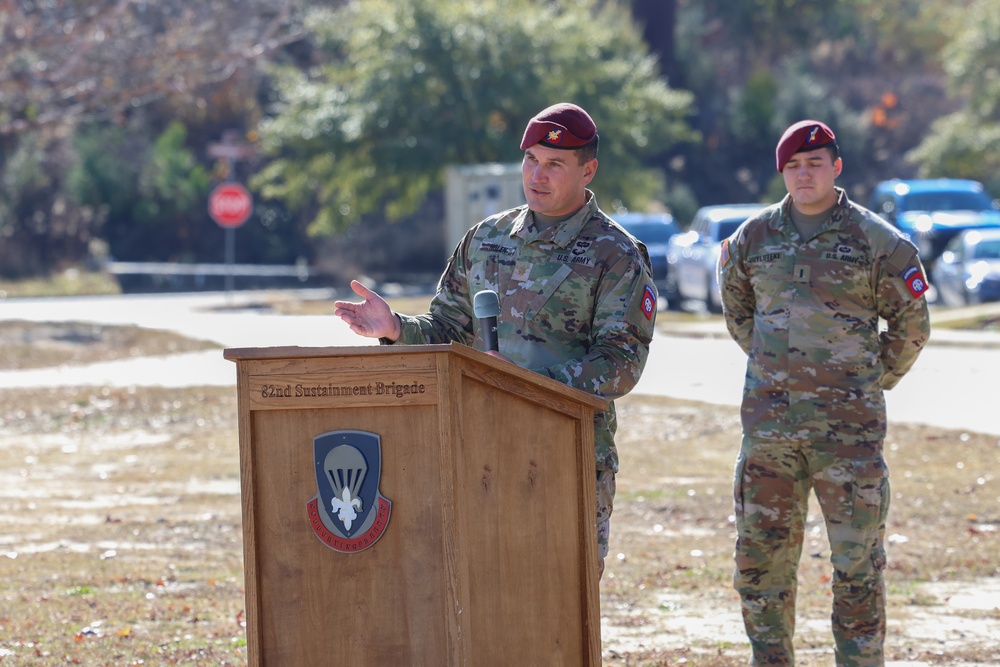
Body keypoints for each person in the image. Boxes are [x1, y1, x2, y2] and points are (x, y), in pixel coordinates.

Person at [333, 102, 658, 579]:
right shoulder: (486, 238)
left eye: (555, 164)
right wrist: (396, 329)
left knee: (564, 594)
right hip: (480, 446)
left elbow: (620, 363)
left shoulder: (616, 253)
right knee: (484, 590)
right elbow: (447, 332)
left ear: (588, 170)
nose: (537, 175)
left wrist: (522, 381)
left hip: (566, 450)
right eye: (531, 160)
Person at [718, 119, 931, 666]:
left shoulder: (877, 241)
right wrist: (778, 371)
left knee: (857, 570)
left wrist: (863, 381)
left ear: (837, 168)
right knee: (761, 568)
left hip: (850, 441)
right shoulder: (752, 239)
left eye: (815, 163)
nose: (803, 174)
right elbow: (740, 315)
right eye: (793, 165)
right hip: (768, 437)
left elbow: (910, 328)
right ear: (781, 173)